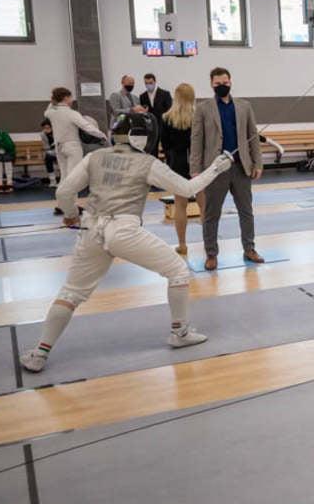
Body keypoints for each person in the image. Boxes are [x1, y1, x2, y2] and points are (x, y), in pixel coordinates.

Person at [18, 113, 234, 373]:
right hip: (123, 231)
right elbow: (187, 189)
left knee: (71, 293)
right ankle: (180, 332)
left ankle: (39, 353)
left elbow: (63, 192)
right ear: (143, 137)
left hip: (90, 229)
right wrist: (217, 167)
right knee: (178, 270)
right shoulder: (147, 163)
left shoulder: (94, 157)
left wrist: (71, 214)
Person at [191, 67, 263, 270]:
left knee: (246, 212)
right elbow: (196, 140)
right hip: (215, 169)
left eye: (225, 83)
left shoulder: (244, 106)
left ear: (230, 82)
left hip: (241, 167)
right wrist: (195, 169)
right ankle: (211, 254)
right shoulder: (203, 108)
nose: (222, 86)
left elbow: (253, 136)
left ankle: (249, 249)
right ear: (211, 84)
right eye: (218, 84)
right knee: (211, 214)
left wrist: (258, 163)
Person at [44, 87, 106, 213]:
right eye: (70, 97)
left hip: (59, 147)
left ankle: (61, 205)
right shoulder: (72, 113)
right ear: (65, 97)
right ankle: (71, 206)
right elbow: (87, 126)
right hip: (72, 147)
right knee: (73, 177)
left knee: (64, 176)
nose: (72, 100)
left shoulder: (52, 113)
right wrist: (102, 135)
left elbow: (47, 111)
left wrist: (53, 100)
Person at [161, 82, 196, 254]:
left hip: (177, 164)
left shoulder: (166, 118)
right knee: (204, 205)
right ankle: (209, 243)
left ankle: (182, 244)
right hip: (197, 163)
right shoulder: (198, 116)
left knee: (180, 205)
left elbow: (165, 144)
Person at [139, 73, 173, 158]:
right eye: (146, 83)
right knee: (152, 151)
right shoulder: (142, 96)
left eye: (150, 83)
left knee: (168, 151)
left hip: (164, 126)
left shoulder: (165, 94)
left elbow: (170, 111)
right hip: (151, 128)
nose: (148, 85)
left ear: (155, 82)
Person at [39, 118, 59, 187]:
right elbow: (46, 147)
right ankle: (53, 181)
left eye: (48, 128)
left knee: (60, 160)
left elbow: (60, 145)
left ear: (52, 127)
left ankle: (63, 180)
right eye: (44, 128)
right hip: (51, 152)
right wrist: (49, 151)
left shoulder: (57, 132)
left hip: (60, 151)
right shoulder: (42, 134)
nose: (46, 129)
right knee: (47, 158)